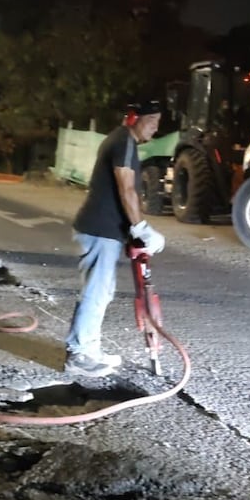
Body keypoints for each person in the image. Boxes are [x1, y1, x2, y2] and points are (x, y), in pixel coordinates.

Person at [64, 100, 166, 378]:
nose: (156, 128)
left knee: (100, 292)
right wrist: (141, 227)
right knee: (96, 293)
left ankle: (86, 349)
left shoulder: (123, 140)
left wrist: (134, 231)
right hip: (99, 230)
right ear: (135, 117)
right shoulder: (124, 142)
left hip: (105, 231)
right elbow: (127, 189)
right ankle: (81, 355)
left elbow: (130, 194)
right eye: (153, 120)